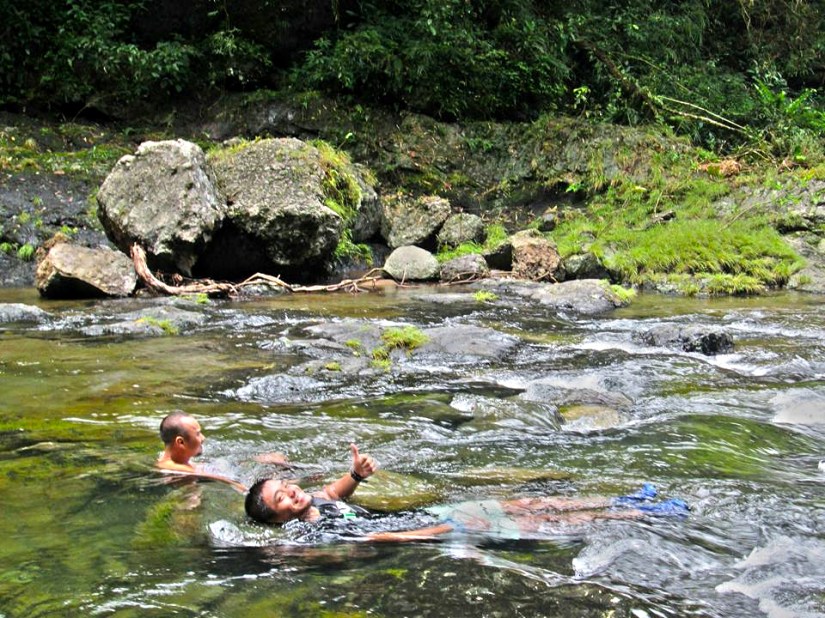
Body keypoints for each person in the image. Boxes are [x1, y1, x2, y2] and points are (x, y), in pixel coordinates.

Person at [244, 446, 688, 542]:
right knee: (536, 523)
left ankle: (623, 501)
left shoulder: (317, 502)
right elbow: (377, 538)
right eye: (282, 499)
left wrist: (356, 475)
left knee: (526, 504)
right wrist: (435, 532)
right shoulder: (308, 536)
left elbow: (331, 491)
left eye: (288, 486)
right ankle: (641, 517)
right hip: (433, 526)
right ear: (277, 518)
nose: (292, 493)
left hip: (434, 512)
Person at [156, 411, 250, 493]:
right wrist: (239, 486)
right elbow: (216, 477)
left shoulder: (179, 461)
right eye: (197, 434)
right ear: (180, 442)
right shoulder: (171, 467)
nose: (203, 438)